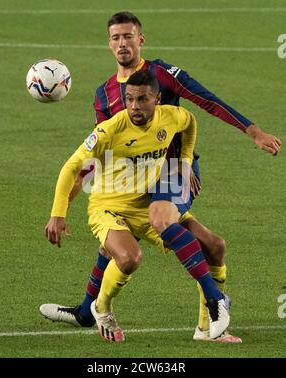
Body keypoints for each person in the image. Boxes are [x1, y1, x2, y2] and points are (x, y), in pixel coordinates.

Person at [40, 12, 281, 342]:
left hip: (172, 171)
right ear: (109, 44)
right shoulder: (104, 94)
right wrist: (69, 198)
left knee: (157, 218)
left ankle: (214, 303)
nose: (123, 43)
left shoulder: (162, 74)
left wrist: (251, 131)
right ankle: (88, 310)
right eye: (116, 38)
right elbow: (101, 151)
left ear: (141, 39)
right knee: (123, 244)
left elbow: (205, 102)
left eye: (129, 36)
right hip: (132, 175)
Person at [44, 70, 230, 343]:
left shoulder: (171, 116)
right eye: (129, 99)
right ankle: (101, 307)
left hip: (147, 204)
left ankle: (206, 330)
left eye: (142, 99)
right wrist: (58, 214)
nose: (134, 106)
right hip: (109, 206)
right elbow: (73, 167)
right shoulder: (110, 129)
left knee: (214, 245)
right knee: (130, 257)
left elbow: (190, 122)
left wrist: (186, 160)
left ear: (157, 99)